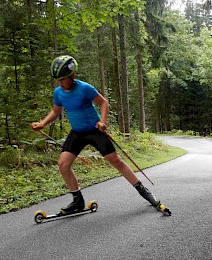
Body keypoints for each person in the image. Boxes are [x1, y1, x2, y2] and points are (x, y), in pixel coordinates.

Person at [31, 55, 160, 214]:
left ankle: (143, 191)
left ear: (72, 75)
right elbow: (56, 111)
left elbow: (103, 102)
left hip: (94, 130)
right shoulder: (58, 93)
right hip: (77, 133)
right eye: (58, 79)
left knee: (115, 161)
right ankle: (77, 201)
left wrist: (103, 121)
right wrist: (43, 123)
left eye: (63, 78)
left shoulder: (85, 88)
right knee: (63, 164)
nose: (60, 82)